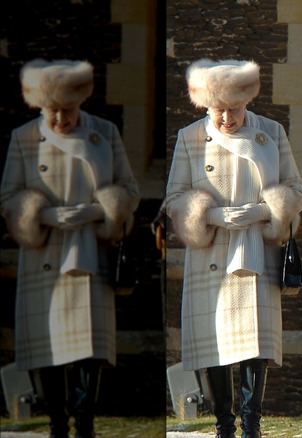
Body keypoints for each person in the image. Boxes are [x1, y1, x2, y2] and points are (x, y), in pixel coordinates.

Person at [164, 59, 302, 438]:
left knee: (254, 342)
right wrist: (212, 217)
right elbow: (174, 198)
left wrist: (262, 210)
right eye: (218, 110)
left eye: (234, 109)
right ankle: (224, 424)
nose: (226, 118)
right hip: (211, 252)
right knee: (215, 342)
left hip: (256, 248)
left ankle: (252, 424)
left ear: (247, 100)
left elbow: (296, 189)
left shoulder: (270, 132)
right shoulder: (190, 137)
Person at [0, 59, 140, 438]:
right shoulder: (24, 138)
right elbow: (8, 197)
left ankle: (86, 425)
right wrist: (44, 217)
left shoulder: (104, 133)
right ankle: (58, 425)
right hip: (44, 255)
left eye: (68, 110)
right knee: (47, 348)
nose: (60, 119)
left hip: (89, 251)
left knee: (88, 349)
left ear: (80, 101)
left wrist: (96, 210)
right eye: (52, 111)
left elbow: (129, 190)